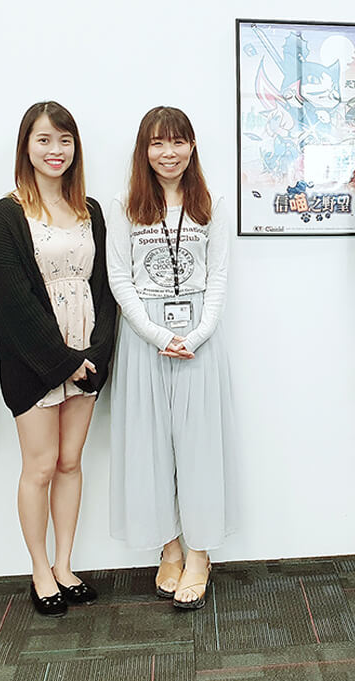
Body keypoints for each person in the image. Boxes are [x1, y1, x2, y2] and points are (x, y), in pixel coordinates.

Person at [0, 101, 116, 617]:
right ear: (26, 147)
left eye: (64, 140)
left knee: (69, 463)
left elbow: (105, 290)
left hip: (86, 352)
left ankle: (65, 564)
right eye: (44, 140)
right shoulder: (9, 210)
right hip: (35, 359)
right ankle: (39, 569)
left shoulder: (92, 210)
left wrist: (95, 355)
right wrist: (61, 362)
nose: (55, 150)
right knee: (38, 467)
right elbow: (12, 298)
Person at [106, 106, 236, 610]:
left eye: (178, 142)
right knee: (149, 445)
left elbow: (220, 277)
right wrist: (154, 331)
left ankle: (200, 554)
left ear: (192, 146)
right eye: (158, 143)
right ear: (145, 150)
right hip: (144, 338)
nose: (169, 153)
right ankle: (169, 548)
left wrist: (198, 334)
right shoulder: (125, 205)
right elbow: (121, 278)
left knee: (200, 447)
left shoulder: (212, 204)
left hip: (199, 336)